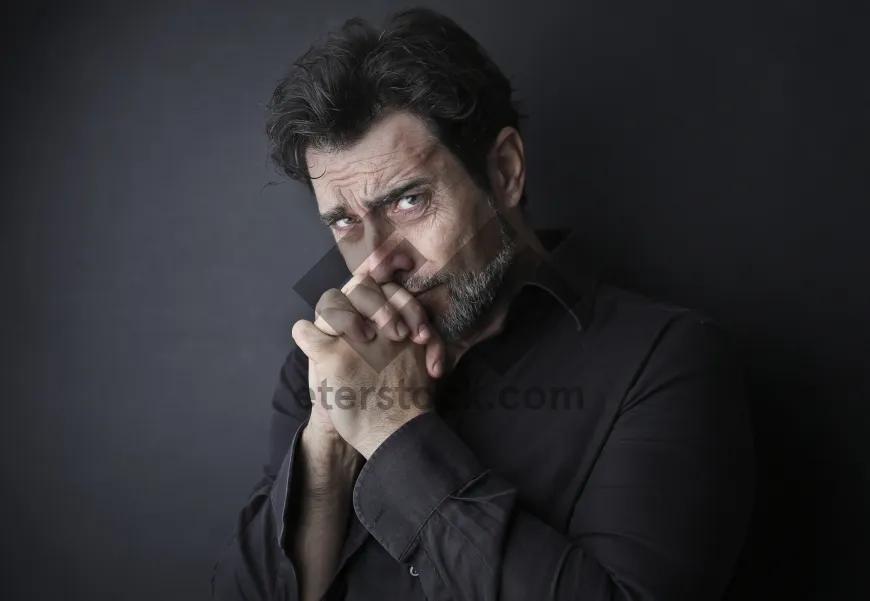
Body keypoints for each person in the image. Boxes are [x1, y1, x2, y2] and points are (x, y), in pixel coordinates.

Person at [211, 7, 755, 601]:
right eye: (344, 221)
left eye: (408, 201)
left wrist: (392, 430)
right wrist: (331, 439)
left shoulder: (667, 364)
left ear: (505, 170)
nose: (377, 260)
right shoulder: (327, 359)